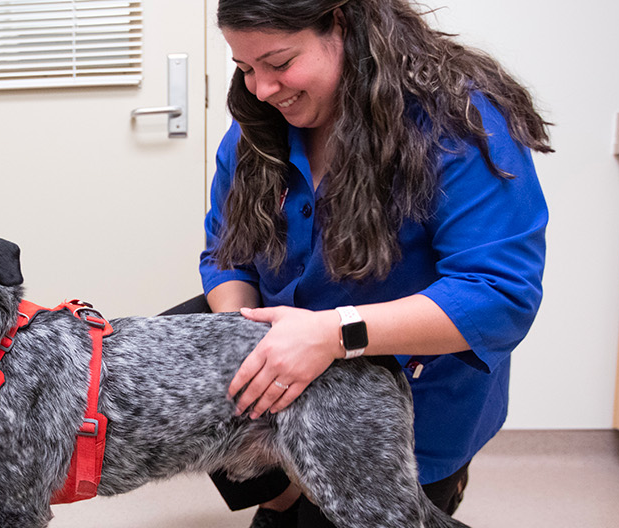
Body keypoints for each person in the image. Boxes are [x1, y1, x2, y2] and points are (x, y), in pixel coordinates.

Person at [196, 0, 551, 526]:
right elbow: (226, 255)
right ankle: (281, 488)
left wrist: (331, 335)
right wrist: (240, 337)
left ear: (341, 23)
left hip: (410, 394)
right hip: (292, 380)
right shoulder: (255, 130)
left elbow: (499, 294)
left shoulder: (456, 123)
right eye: (245, 69)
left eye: (278, 62)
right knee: (181, 341)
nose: (262, 90)